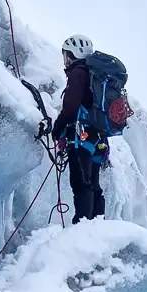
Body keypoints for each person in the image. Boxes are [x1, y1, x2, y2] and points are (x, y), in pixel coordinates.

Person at [52, 35, 107, 223]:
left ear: (73, 54)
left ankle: (83, 224)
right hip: (98, 138)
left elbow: (70, 107)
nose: (65, 59)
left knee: (81, 182)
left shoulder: (78, 73)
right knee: (93, 183)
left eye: (66, 55)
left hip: (81, 137)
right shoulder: (94, 75)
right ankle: (97, 223)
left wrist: (57, 128)